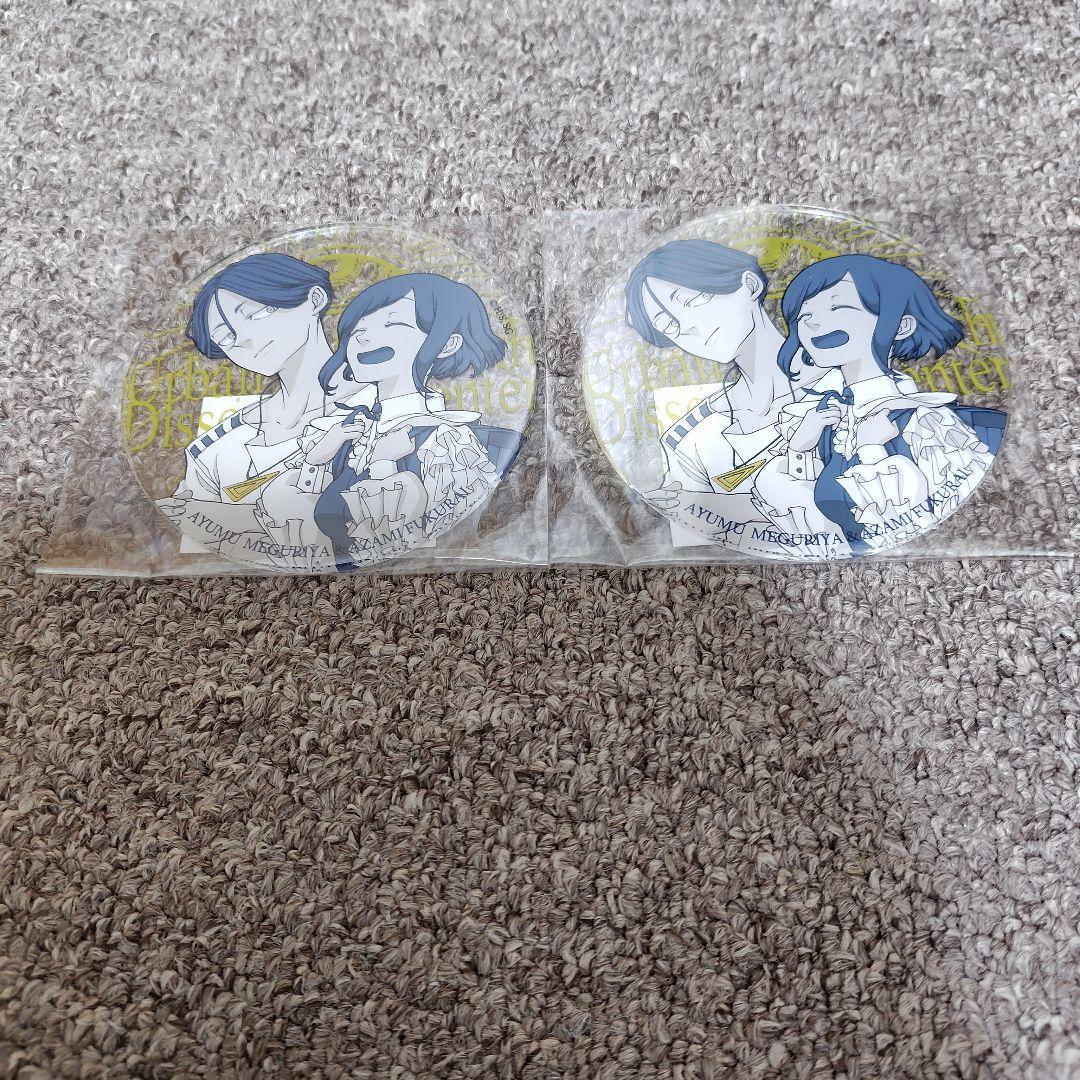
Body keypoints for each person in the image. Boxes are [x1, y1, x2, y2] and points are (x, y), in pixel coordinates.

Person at [758, 254, 1006, 552]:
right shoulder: (824, 419)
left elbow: (928, 529)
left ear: (901, 326)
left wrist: (872, 451)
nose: (813, 323)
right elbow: (807, 528)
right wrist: (799, 449)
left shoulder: (926, 421)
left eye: (838, 307)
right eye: (804, 315)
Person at [274, 273, 510, 567]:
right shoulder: (340, 431)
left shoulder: (446, 441)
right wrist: (314, 461)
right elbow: (291, 531)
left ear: (447, 344)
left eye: (393, 324)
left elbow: (410, 547)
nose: (363, 337)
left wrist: (381, 465)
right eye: (359, 328)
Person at [157, 252, 344, 551]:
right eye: (225, 338)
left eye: (255, 314)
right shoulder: (215, 449)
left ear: (315, 299)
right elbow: (196, 535)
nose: (242, 339)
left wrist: (241, 518)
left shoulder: (390, 406)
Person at [624, 239, 801, 500]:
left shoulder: (849, 379)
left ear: (750, 285)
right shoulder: (690, 439)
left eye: (692, 300)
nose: (687, 327)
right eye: (668, 326)